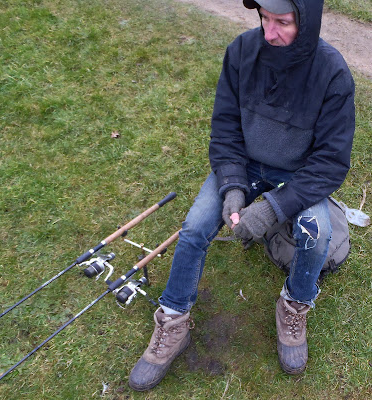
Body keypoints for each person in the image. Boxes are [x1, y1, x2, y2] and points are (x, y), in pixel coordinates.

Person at [129, 0, 355, 391]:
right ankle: (174, 319)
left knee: (317, 233)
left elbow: (331, 163)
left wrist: (274, 209)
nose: (269, 32)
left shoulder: (332, 73)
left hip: (297, 174)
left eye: (283, 22)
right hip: (245, 165)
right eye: (264, 18)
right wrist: (232, 185)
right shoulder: (241, 52)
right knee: (195, 226)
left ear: (308, 19)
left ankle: (295, 305)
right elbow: (226, 130)